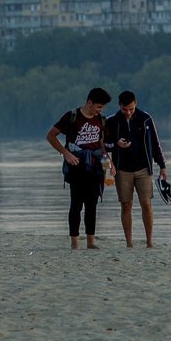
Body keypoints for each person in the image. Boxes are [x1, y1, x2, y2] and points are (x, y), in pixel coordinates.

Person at [46, 87, 113, 250]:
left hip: (96, 168)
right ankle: (74, 243)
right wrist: (65, 153)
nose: (100, 110)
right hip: (76, 168)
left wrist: (109, 166)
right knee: (76, 205)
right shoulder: (72, 117)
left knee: (92, 205)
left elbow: (101, 145)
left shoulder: (101, 120)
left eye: (102, 107)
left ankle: (91, 242)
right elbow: (51, 135)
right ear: (89, 102)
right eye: (98, 106)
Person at [106, 90, 168, 248]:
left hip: (143, 168)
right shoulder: (112, 121)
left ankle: (149, 242)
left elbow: (155, 143)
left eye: (131, 109)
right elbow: (105, 144)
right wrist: (116, 144)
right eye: (125, 109)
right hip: (122, 169)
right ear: (119, 106)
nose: (128, 112)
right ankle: (129, 243)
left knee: (146, 203)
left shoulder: (145, 118)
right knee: (126, 204)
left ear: (136, 104)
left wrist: (162, 166)